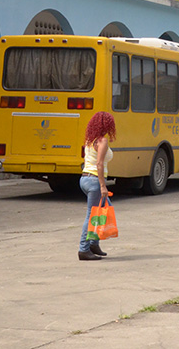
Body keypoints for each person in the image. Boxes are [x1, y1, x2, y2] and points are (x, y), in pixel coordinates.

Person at [79, 111, 116, 261]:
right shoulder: (102, 141)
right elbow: (99, 164)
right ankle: (83, 249)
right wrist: (103, 186)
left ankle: (94, 244)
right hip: (95, 181)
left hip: (85, 179)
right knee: (91, 215)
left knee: (103, 212)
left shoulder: (90, 140)